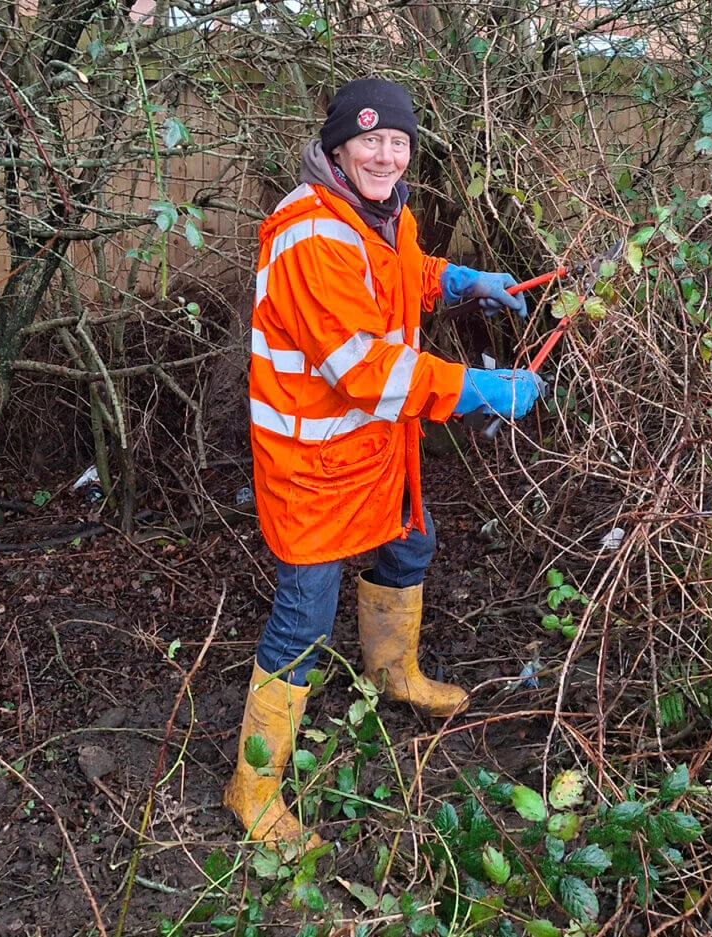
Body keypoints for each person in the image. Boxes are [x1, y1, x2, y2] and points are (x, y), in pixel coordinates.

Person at [224, 78, 543, 847]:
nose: (386, 154)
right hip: (315, 462)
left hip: (373, 446)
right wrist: (477, 387)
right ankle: (253, 787)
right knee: (303, 617)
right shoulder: (310, 233)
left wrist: (456, 279)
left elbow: (397, 275)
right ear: (338, 147)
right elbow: (365, 368)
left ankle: (392, 674)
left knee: (411, 543)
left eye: (398, 142)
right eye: (370, 141)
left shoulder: (377, 211)